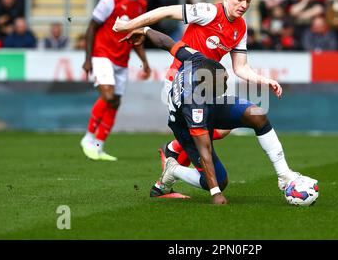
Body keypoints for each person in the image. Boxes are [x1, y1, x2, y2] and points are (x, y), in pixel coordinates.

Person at [113, 0, 285, 196]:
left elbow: (240, 68)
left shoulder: (240, 27)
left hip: (206, 84)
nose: (243, 5)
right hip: (181, 82)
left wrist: (265, 80)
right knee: (201, 132)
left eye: (248, 1)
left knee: (221, 131)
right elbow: (165, 11)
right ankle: (187, 171)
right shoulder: (208, 12)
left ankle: (171, 157)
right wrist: (129, 25)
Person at [124, 26, 317, 204]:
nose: (225, 84)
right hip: (183, 124)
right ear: (208, 86)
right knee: (218, 180)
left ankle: (284, 174)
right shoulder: (195, 105)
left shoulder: (196, 58)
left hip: (209, 100)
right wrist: (216, 193)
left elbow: (166, 42)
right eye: (222, 83)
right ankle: (173, 168)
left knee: (256, 114)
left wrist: (145, 30)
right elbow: (204, 149)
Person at [80, 0, 151, 161]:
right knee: (109, 96)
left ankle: (99, 146)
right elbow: (92, 27)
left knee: (115, 103)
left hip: (122, 59)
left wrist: (145, 62)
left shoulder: (141, 4)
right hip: (102, 55)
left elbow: (135, 38)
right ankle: (87, 137)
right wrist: (87, 59)